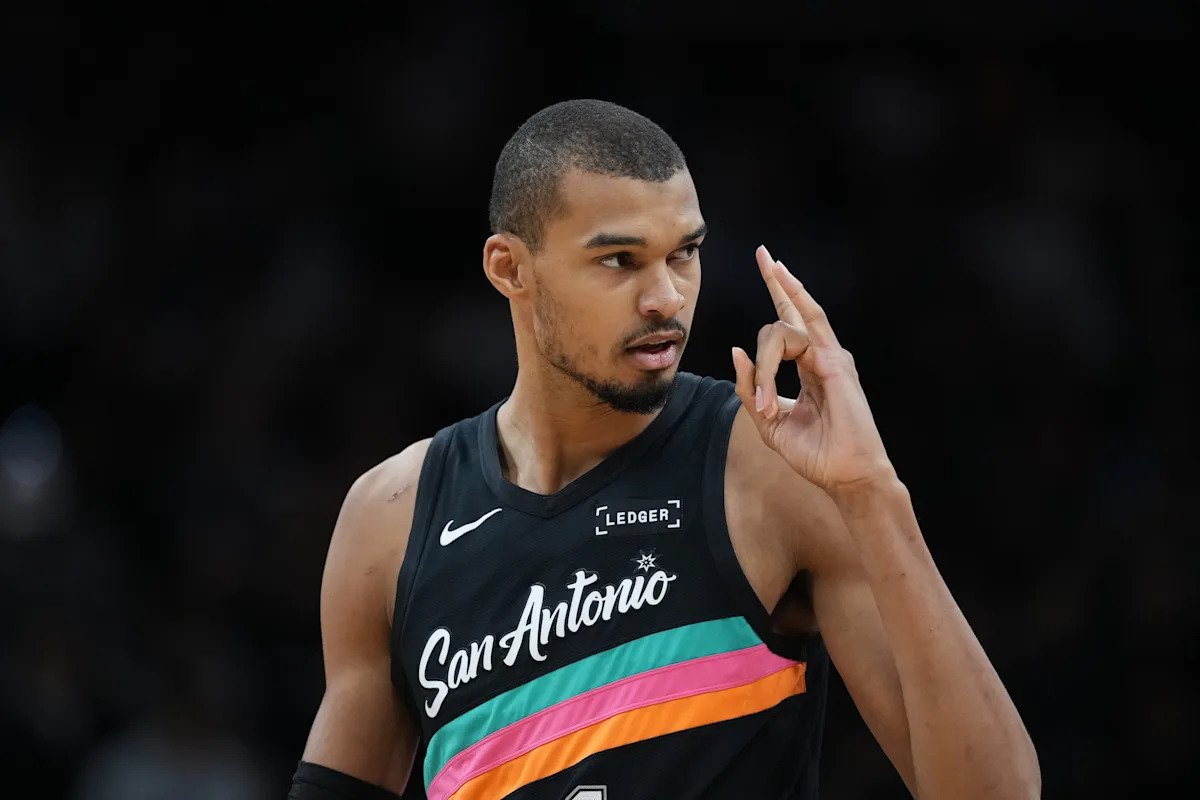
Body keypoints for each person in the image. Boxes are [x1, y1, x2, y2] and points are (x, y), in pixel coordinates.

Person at [289, 99, 1040, 800]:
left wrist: (872, 492)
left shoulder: (767, 469)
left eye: (684, 253)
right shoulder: (390, 519)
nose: (667, 299)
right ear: (510, 269)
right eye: (620, 260)